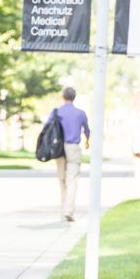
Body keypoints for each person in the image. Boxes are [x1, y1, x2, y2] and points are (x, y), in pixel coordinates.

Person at [49, 87, 90, 222]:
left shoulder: (56, 112)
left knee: (62, 180)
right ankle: (69, 210)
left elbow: (48, 128)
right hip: (73, 147)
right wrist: (87, 142)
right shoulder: (80, 113)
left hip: (59, 148)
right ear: (74, 97)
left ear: (63, 96)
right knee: (72, 180)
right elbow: (87, 131)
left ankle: (64, 210)